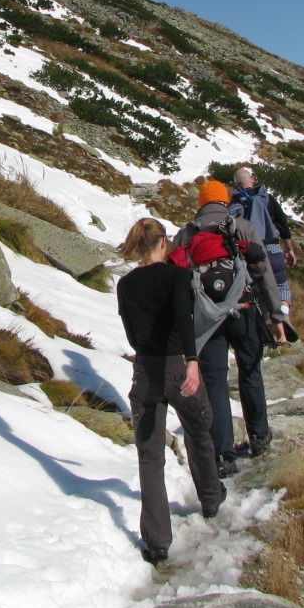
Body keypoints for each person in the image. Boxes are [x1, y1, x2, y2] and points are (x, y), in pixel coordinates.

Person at [117, 217, 225, 564]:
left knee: (150, 456)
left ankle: (158, 540)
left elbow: (132, 335)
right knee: (199, 430)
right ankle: (210, 497)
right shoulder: (177, 277)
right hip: (179, 367)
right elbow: (184, 318)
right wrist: (192, 361)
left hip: (145, 371)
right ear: (164, 243)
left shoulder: (126, 284)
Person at [174, 180, 289, 476]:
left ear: (200, 202)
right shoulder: (243, 228)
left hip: (207, 319)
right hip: (245, 311)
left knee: (214, 383)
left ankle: (223, 454)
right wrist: (277, 316)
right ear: (226, 200)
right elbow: (264, 273)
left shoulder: (186, 234)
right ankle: (260, 436)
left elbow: (175, 282)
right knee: (251, 371)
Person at [230, 166, 297, 313]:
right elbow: (283, 226)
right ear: (252, 180)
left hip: (249, 251)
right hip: (272, 248)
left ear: (236, 185)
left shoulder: (235, 204)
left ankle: (263, 320)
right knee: (281, 286)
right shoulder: (267, 199)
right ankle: (283, 317)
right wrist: (289, 249)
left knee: (254, 288)